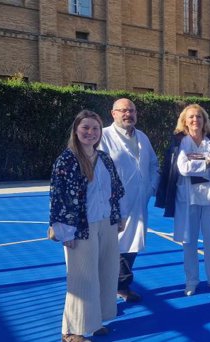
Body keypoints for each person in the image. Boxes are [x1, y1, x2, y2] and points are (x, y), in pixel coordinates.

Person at [49, 110, 125, 342]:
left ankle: (94, 322)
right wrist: (65, 232)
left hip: (106, 223)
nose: (90, 133)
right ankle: (72, 330)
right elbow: (59, 197)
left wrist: (119, 216)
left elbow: (116, 190)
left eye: (95, 128)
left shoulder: (104, 158)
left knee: (106, 273)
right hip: (80, 227)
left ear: (100, 132)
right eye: (85, 128)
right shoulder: (67, 160)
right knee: (82, 279)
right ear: (76, 130)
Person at [155, 104, 210, 296]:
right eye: (191, 117)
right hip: (186, 199)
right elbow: (183, 168)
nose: (195, 120)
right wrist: (207, 162)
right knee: (189, 243)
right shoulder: (180, 142)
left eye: (199, 117)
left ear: (205, 121)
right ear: (185, 121)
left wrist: (199, 163)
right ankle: (191, 281)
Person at [99, 98, 159, 303]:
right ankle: (111, 288)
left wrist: (151, 187)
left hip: (139, 202)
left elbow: (153, 164)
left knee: (132, 244)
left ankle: (122, 287)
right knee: (112, 247)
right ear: (113, 113)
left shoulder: (142, 137)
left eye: (132, 110)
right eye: (123, 110)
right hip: (112, 204)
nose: (128, 114)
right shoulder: (104, 136)